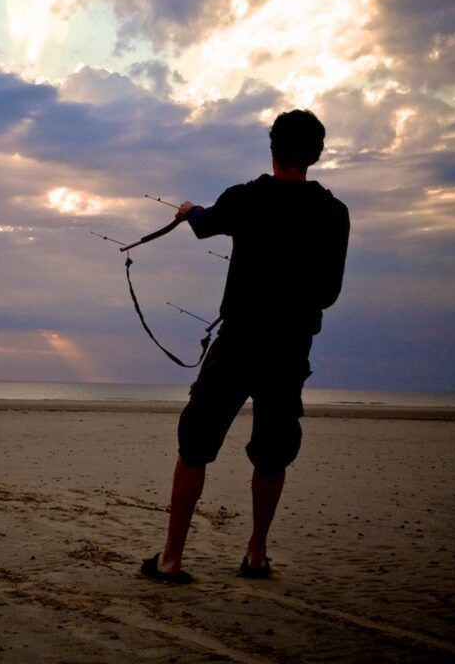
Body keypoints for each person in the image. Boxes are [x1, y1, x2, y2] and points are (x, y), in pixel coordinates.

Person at [140, 109, 350, 584]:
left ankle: (171, 559)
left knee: (195, 442)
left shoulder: (246, 198)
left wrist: (188, 210)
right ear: (315, 154)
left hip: (237, 345)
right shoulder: (333, 213)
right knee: (273, 451)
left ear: (273, 150)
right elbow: (329, 294)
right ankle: (256, 555)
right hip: (290, 349)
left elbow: (205, 222)